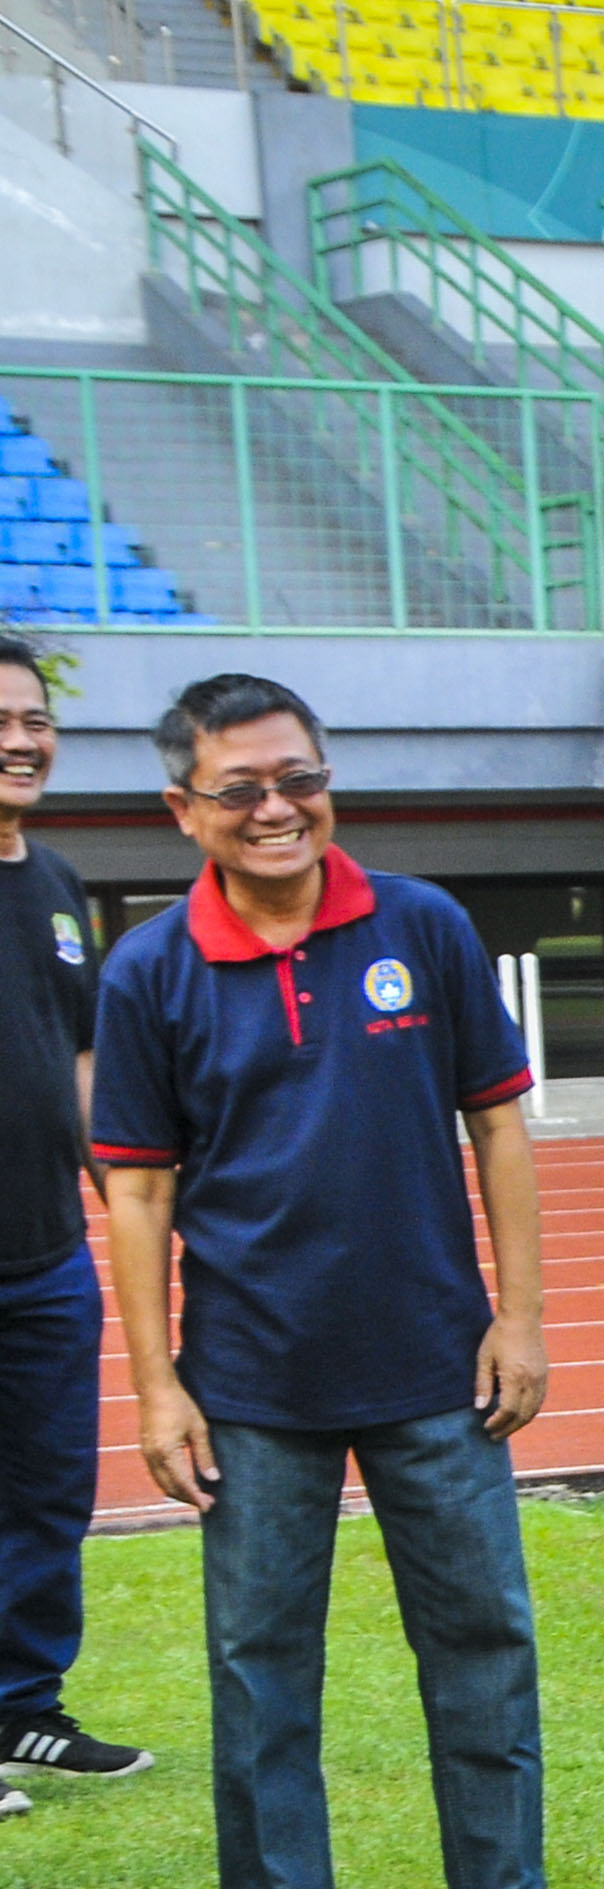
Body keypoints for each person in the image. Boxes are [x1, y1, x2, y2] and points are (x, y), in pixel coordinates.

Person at [90, 673, 593, 1889]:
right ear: (183, 809)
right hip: (249, 1379)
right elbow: (136, 1191)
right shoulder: (150, 972)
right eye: (242, 788)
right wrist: (157, 1386)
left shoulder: (422, 925)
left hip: (437, 1361)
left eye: (300, 779)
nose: (278, 809)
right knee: (261, 1661)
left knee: (483, 1636)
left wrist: (520, 1316)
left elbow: (497, 1123)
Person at [0, 631, 148, 1824]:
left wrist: (132, 1200)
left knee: (49, 1492)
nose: (21, 739)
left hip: (47, 1256)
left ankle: (20, 1706)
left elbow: (84, 1061)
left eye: (35, 718)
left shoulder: (54, 883)